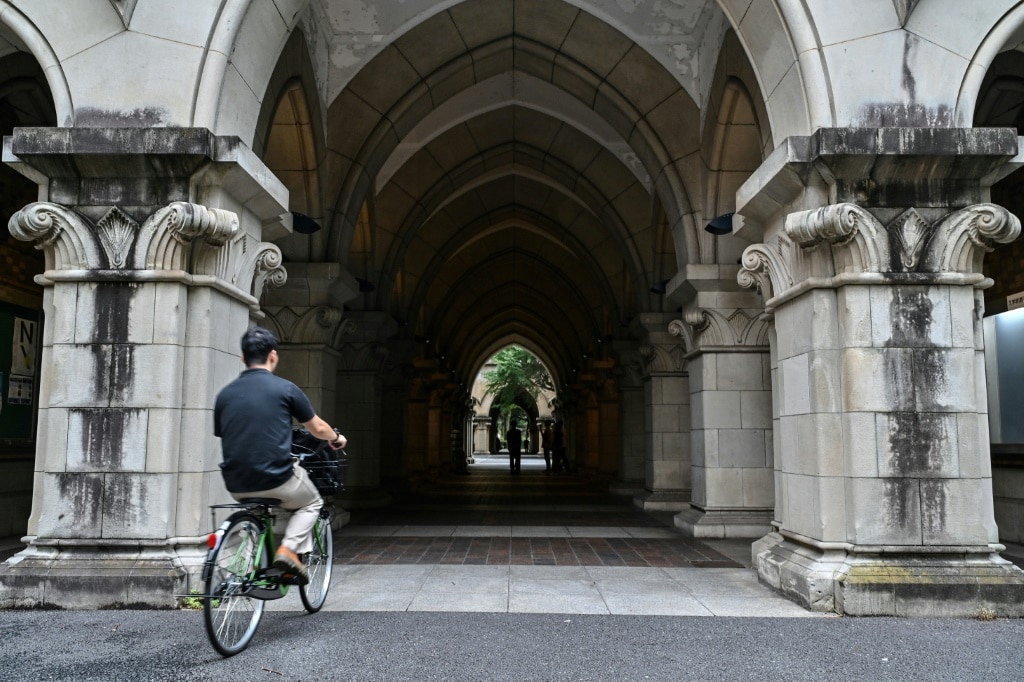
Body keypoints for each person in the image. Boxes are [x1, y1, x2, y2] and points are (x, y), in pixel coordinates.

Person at [214, 327, 347, 584]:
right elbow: (318, 428)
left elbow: (226, 434)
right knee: (311, 502)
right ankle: (287, 552)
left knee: (255, 510)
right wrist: (336, 439)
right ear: (273, 356)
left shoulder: (225, 394)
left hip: (236, 481)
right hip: (277, 476)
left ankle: (250, 566)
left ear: (243, 358)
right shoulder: (285, 389)